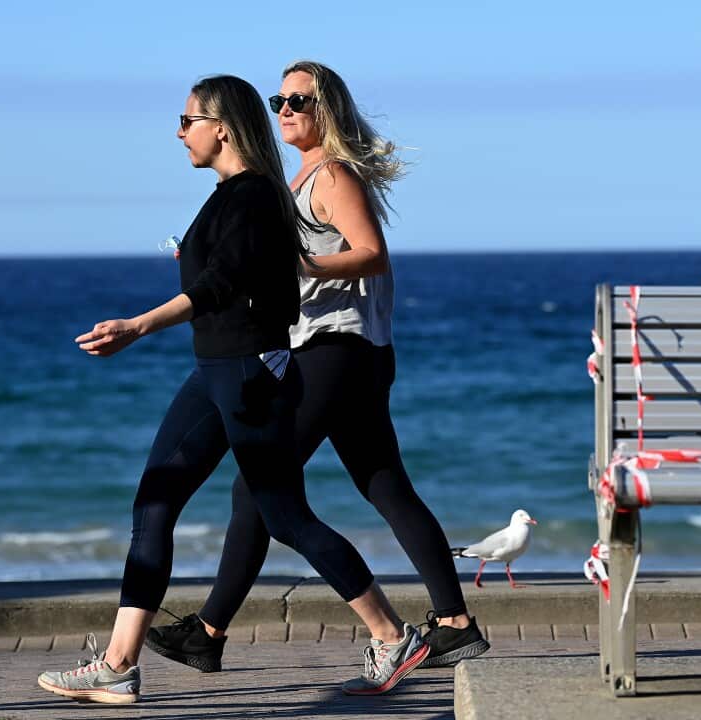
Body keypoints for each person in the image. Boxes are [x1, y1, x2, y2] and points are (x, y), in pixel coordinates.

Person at [37, 74, 428, 704]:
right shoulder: (227, 197)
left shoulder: (254, 197)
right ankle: (118, 663)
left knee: (284, 514)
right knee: (155, 502)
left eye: (188, 119)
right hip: (213, 370)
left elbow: (221, 285)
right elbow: (224, 273)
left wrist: (139, 324)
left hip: (249, 371)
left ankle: (391, 634)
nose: (179, 131)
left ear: (221, 126)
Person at [144, 60, 488, 676]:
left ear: (326, 109)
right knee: (384, 484)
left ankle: (211, 630)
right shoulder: (299, 175)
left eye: (297, 101)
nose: (284, 111)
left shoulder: (331, 174)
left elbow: (372, 255)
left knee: (258, 487)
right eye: (278, 101)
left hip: (335, 349)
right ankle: (455, 623)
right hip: (347, 351)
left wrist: (295, 264)